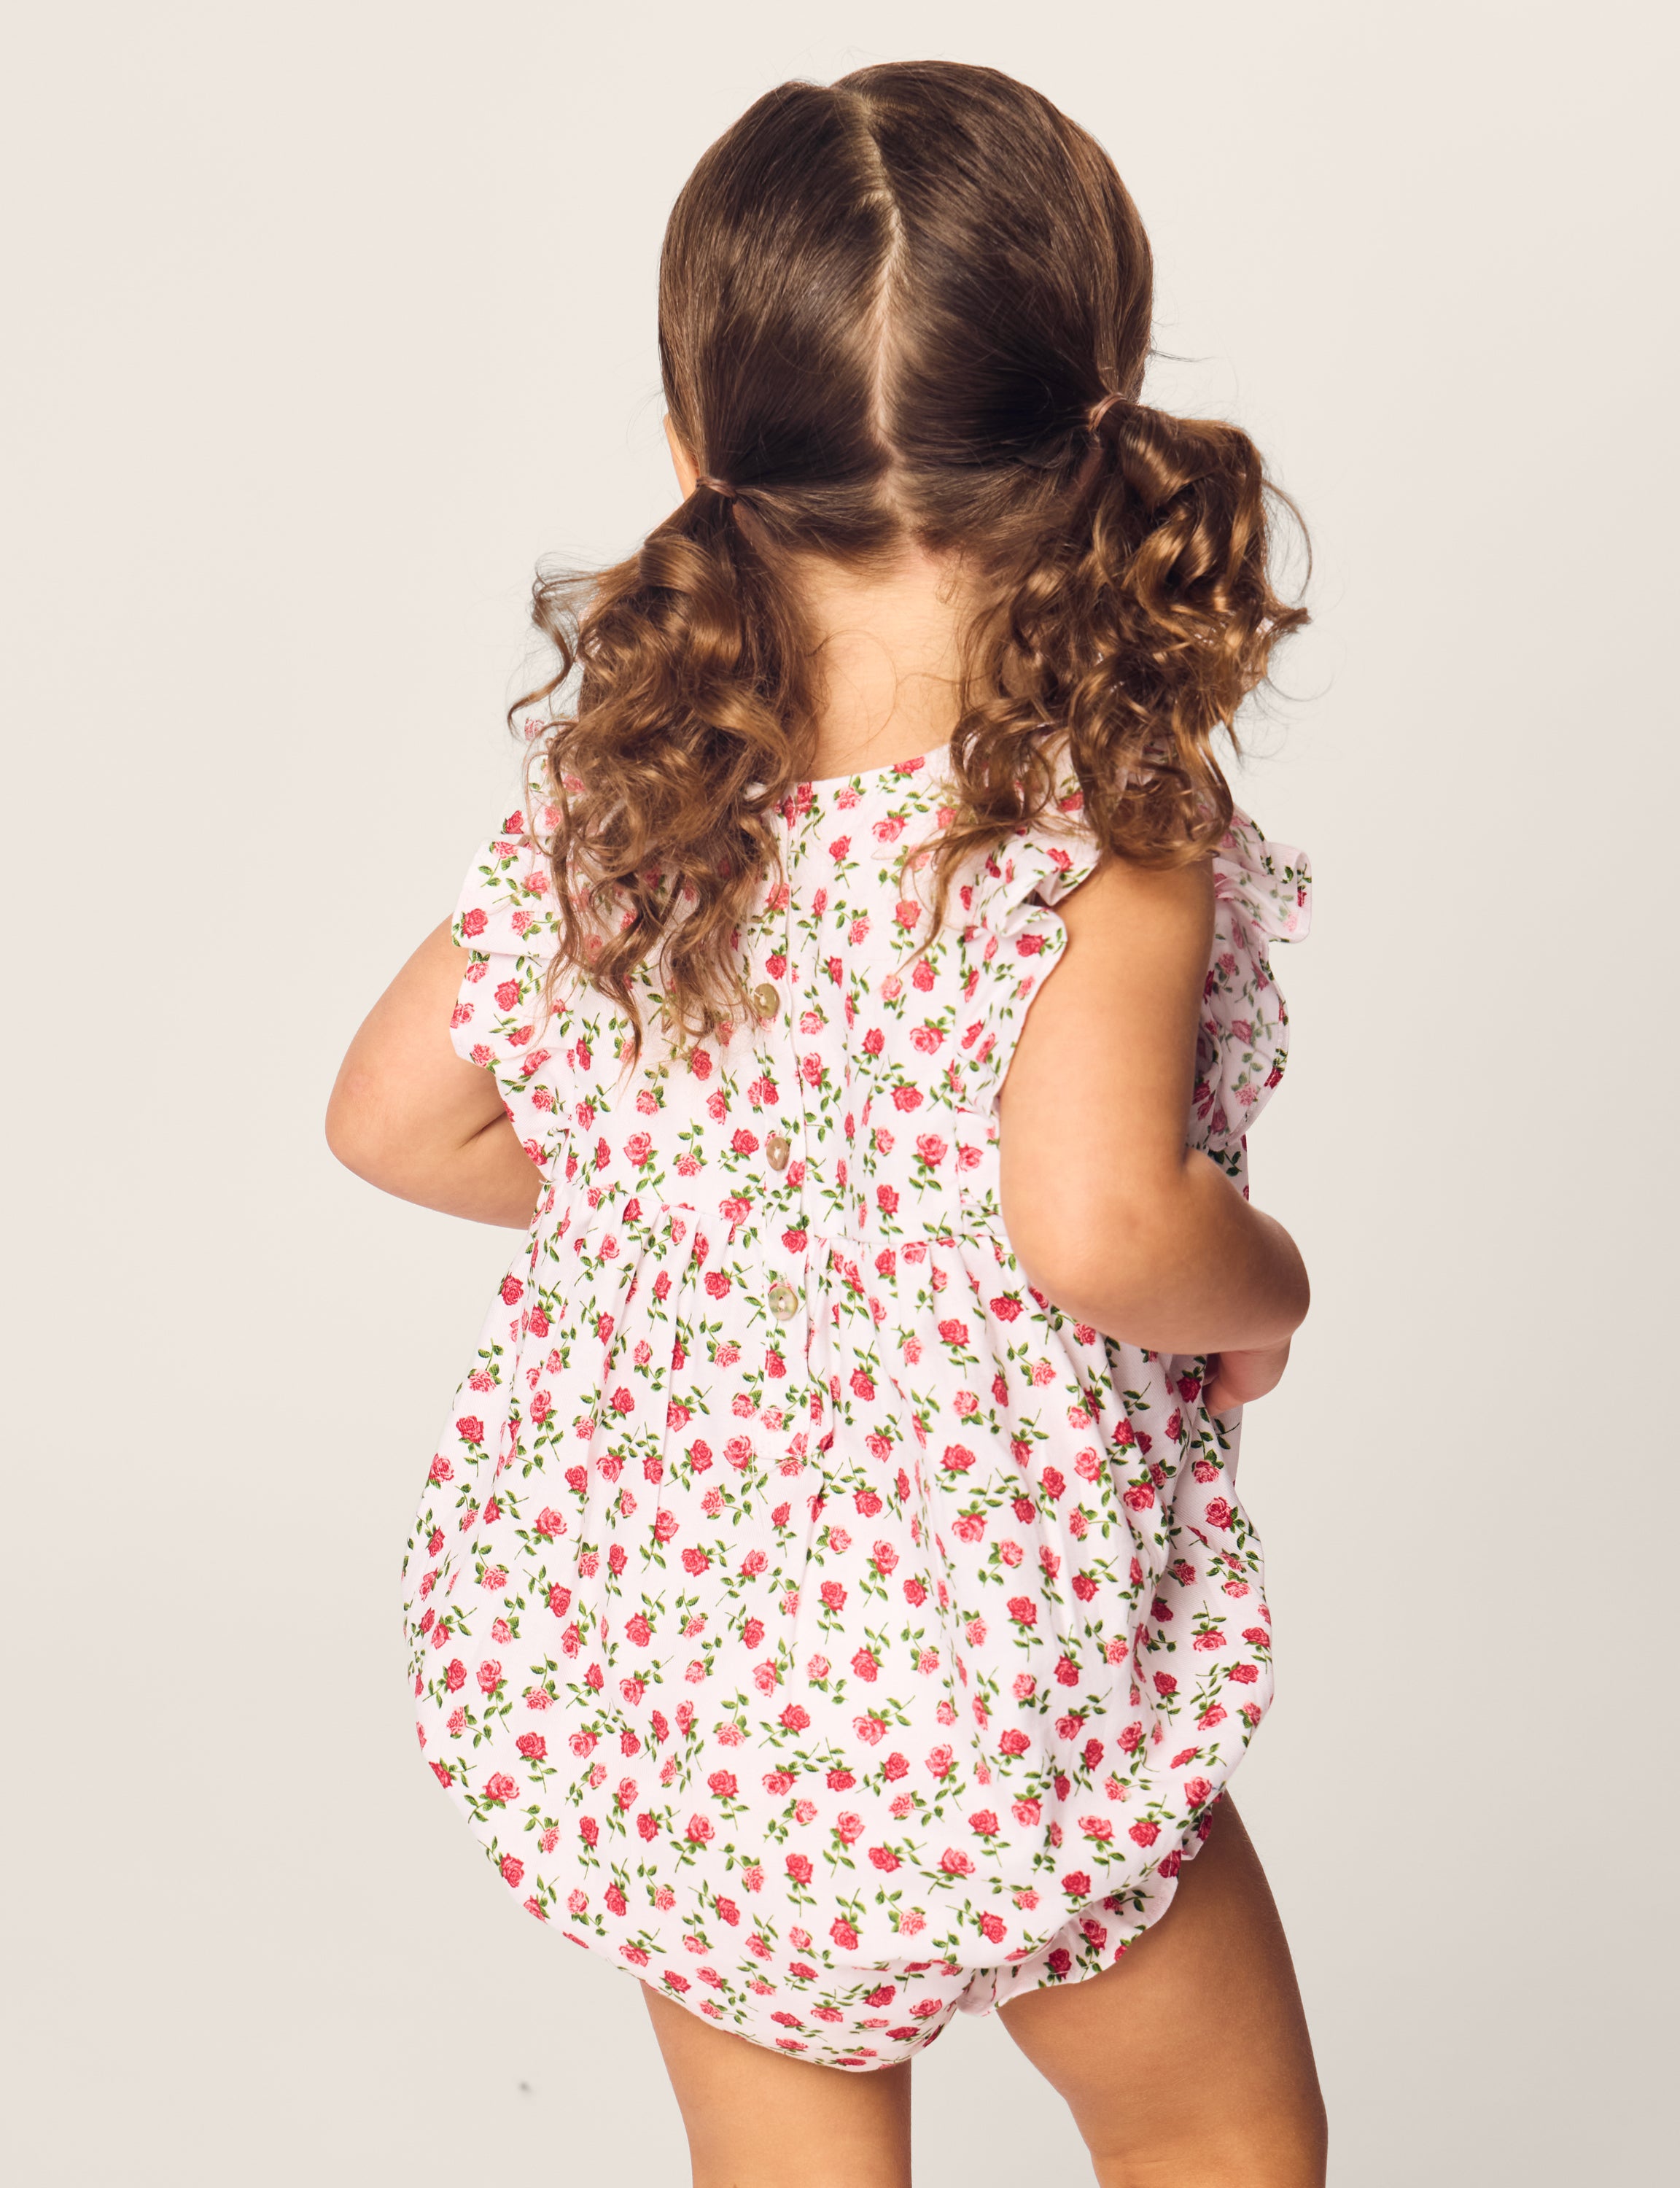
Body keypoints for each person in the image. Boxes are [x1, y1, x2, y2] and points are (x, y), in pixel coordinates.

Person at [327, 59, 1324, 2188]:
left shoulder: (633, 799)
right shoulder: (1101, 830)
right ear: (1101, 406)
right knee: (1218, 2137)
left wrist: (694, 1205)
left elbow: (395, 1122)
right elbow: (1093, 1221)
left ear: (698, 452)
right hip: (1001, 1665)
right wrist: (1269, 1281)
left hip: (681, 1673)